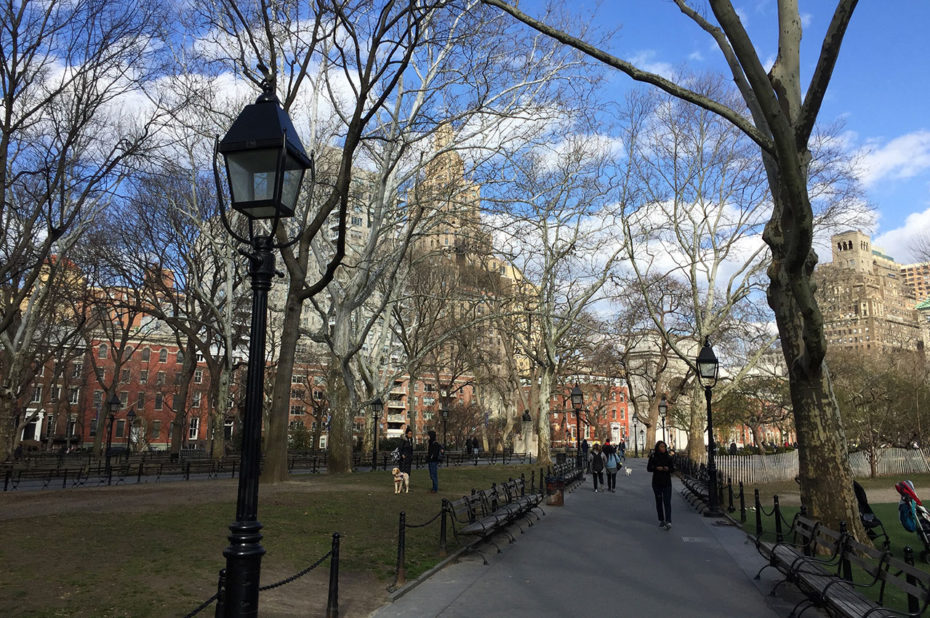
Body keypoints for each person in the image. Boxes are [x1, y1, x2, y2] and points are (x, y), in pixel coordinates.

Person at [647, 440, 675, 530]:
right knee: (659, 502)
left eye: (664, 447)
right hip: (657, 482)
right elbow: (649, 468)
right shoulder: (654, 457)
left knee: (667, 502)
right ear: (658, 448)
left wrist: (668, 468)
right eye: (661, 447)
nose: (663, 448)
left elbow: (673, 469)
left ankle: (669, 521)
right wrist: (656, 468)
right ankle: (661, 519)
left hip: (667, 482)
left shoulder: (668, 457)